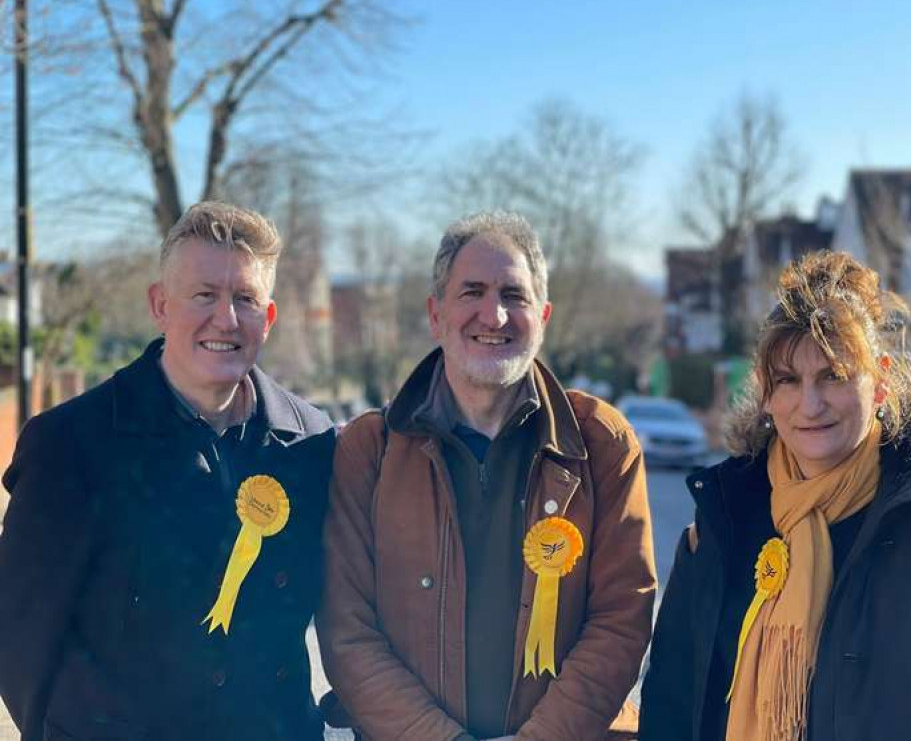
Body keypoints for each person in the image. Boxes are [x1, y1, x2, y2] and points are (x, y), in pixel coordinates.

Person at [0, 202, 335, 741]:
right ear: (160, 305)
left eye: (245, 299)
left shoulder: (314, 443)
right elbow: (19, 637)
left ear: (267, 319)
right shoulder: (71, 444)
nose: (225, 318)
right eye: (204, 295)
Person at [318, 211, 656, 741]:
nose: (493, 315)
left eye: (514, 296)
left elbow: (621, 617)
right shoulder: (369, 450)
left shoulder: (602, 444)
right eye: (471, 291)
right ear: (436, 314)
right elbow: (346, 629)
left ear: (542, 315)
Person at [639, 250, 911, 741]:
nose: (810, 404)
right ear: (766, 393)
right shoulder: (726, 512)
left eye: (834, 374)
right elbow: (673, 697)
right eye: (788, 380)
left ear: (879, 381)